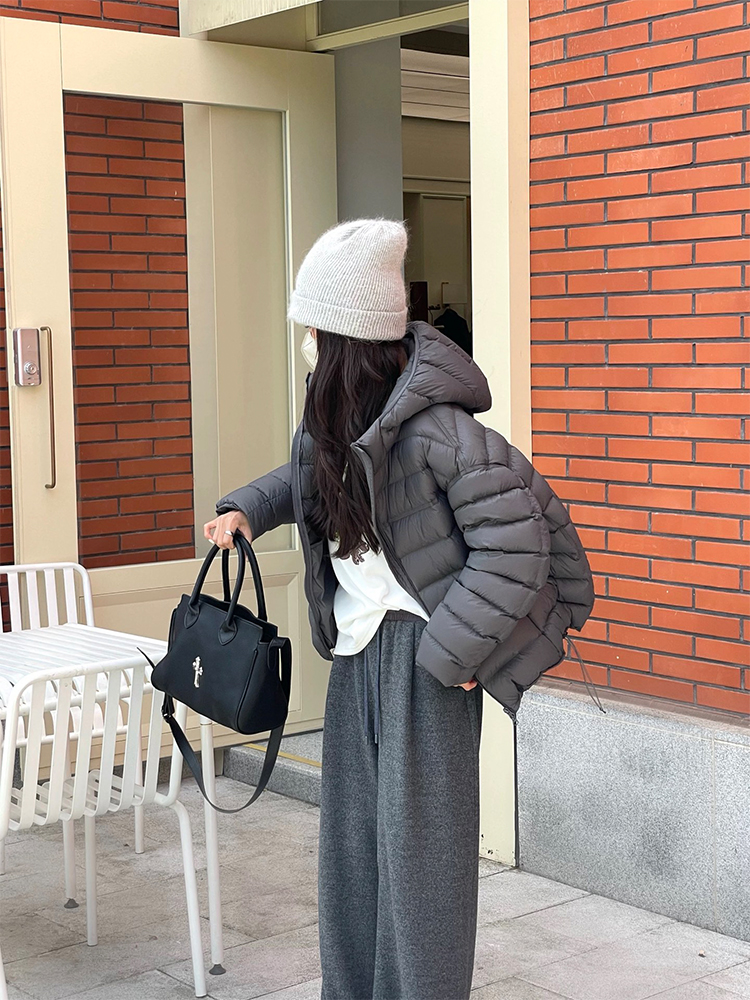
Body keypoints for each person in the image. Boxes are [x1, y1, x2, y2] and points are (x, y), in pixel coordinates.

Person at [203, 218, 594, 1000]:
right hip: (358, 653)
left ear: (343, 339)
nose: (305, 342)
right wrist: (246, 507)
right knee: (355, 854)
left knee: (424, 869)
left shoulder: (441, 431)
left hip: (426, 659)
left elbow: (519, 545)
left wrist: (454, 656)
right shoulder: (337, 422)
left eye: (313, 328)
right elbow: (302, 477)